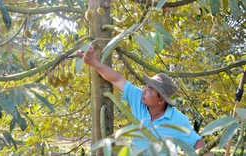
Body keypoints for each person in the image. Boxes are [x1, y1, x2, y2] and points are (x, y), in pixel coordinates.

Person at [77, 45, 213, 156]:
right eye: (146, 86)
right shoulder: (138, 98)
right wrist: (93, 62)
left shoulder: (178, 120)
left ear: (161, 101)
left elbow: (197, 145)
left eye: (150, 90)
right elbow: (117, 79)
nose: (144, 91)